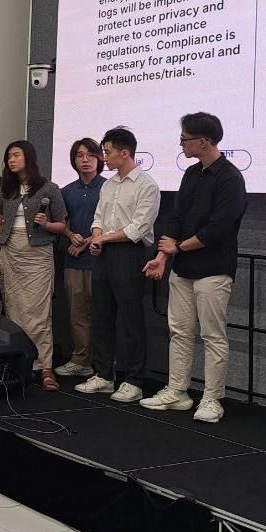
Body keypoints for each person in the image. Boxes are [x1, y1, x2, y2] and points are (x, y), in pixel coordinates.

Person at [141, 112, 248, 423]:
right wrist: (163, 256)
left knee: (212, 335)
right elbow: (176, 218)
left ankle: (212, 398)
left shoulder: (230, 177)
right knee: (179, 332)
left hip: (214, 268)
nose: (181, 144)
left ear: (204, 141)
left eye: (184, 139)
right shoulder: (190, 174)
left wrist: (179, 247)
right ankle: (178, 390)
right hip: (183, 268)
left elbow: (219, 228)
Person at [76, 127, 160, 403]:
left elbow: (139, 228)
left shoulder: (146, 185)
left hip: (130, 253)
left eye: (108, 152)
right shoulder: (109, 184)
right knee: (102, 315)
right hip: (103, 252)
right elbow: (98, 218)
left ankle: (134, 380)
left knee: (131, 319)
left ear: (125, 153)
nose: (104, 157)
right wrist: (97, 237)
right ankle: (103, 375)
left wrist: (103, 238)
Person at [0, 140, 68, 390]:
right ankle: (18, 364)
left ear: (29, 157)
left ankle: (44, 367)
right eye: (9, 156)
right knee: (13, 310)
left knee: (39, 312)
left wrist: (46, 224)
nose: (11, 160)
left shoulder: (49, 188)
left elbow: (62, 226)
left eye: (16, 155)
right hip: (9, 251)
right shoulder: (6, 188)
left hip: (37, 254)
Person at [55, 138, 105, 378]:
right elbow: (60, 223)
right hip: (73, 261)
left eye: (90, 155)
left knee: (103, 313)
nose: (85, 160)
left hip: (101, 259)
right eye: (79, 155)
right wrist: (70, 235)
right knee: (78, 314)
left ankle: (105, 366)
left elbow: (115, 222)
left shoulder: (109, 188)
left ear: (100, 158)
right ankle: (81, 360)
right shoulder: (66, 191)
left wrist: (86, 241)